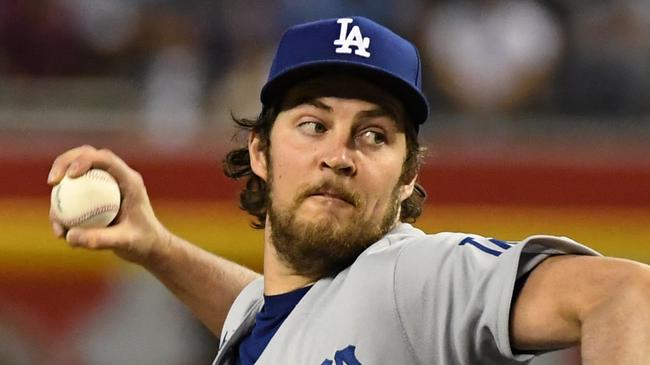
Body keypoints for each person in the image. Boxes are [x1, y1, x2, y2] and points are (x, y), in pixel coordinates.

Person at [48, 17, 650, 365]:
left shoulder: (415, 273)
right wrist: (156, 247)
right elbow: (277, 316)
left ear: (408, 175)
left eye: (373, 134)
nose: (338, 155)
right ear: (260, 150)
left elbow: (626, 292)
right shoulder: (280, 318)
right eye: (313, 125)